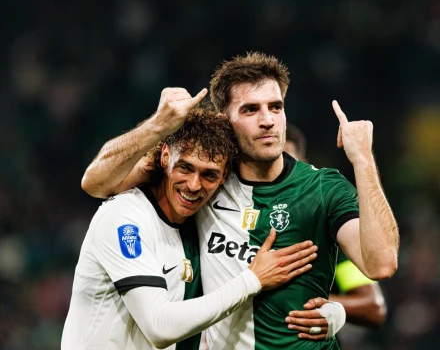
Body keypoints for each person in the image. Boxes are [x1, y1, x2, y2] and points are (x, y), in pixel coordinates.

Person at [82, 52, 399, 349]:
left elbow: (382, 264)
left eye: (275, 107)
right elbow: (96, 182)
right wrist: (157, 126)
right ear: (225, 121)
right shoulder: (207, 180)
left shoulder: (323, 188)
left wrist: (363, 160)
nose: (267, 120)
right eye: (250, 110)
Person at [62, 105, 323, 350]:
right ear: (165, 157)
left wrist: (333, 313)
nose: (194, 185)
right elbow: (159, 327)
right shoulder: (125, 218)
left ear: (223, 177)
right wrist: (252, 279)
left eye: (208, 174)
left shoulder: (202, 223)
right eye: (185, 168)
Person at [284, 123, 387, 330]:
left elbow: (373, 307)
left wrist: (308, 299)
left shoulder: (329, 231)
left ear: (304, 167)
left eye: (286, 162)